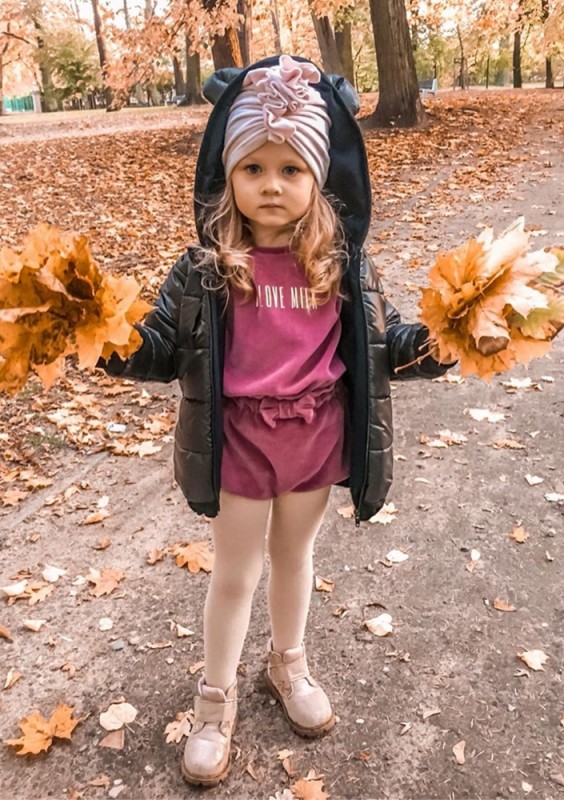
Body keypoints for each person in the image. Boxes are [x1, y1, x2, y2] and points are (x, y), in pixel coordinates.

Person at [99, 54, 451, 787]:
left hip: (315, 436)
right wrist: (110, 343)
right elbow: (157, 345)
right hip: (240, 442)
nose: (270, 184)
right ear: (228, 173)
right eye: (253, 166)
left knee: (294, 559)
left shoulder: (343, 263)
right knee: (235, 572)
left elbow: (390, 343)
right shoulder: (205, 267)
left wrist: (441, 344)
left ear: (318, 178)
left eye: (290, 169)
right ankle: (214, 697)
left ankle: (287, 664)